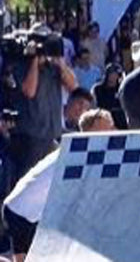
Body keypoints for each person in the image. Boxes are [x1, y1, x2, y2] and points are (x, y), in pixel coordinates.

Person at [2, 109, 114, 261]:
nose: (112, 131)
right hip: (22, 212)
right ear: (92, 128)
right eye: (108, 127)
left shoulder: (79, 151)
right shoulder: (77, 153)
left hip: (27, 212)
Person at [9, 31, 78, 181]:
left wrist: (61, 63)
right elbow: (29, 91)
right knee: (29, 180)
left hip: (52, 133)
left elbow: (73, 87)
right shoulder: (22, 66)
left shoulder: (53, 68)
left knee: (51, 180)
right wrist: (34, 60)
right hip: (31, 136)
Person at [92, 63, 127, 130]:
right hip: (104, 119)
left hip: (121, 122)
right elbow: (95, 106)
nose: (114, 76)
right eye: (112, 74)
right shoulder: (98, 89)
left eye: (116, 74)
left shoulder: (121, 88)